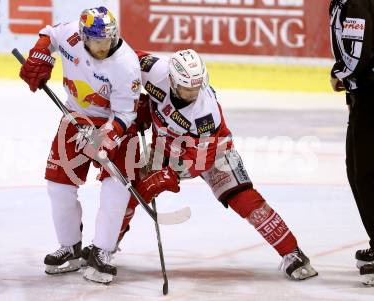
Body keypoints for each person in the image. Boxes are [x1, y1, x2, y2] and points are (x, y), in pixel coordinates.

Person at [82, 49, 319, 280]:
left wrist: (169, 174)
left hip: (213, 150)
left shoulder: (206, 112)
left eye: (197, 86)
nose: (193, 92)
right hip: (165, 145)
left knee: (243, 198)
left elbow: (201, 159)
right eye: (187, 87)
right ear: (172, 80)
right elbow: (123, 59)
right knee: (131, 192)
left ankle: (293, 253)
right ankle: (104, 248)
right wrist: (134, 105)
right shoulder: (154, 69)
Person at [19, 6, 142, 284]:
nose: (103, 46)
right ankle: (71, 248)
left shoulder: (127, 64)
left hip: (116, 125)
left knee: (115, 189)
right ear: (84, 37)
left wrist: (100, 138)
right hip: (75, 117)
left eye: (108, 40)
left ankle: (102, 252)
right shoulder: (71, 34)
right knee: (59, 186)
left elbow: (125, 114)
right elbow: (49, 34)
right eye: (97, 41)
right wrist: (40, 55)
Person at [329, 0, 374, 285]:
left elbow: (358, 56)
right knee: (357, 171)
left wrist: (338, 75)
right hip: (364, 97)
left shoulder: (355, 1)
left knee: (366, 175)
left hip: (371, 98)